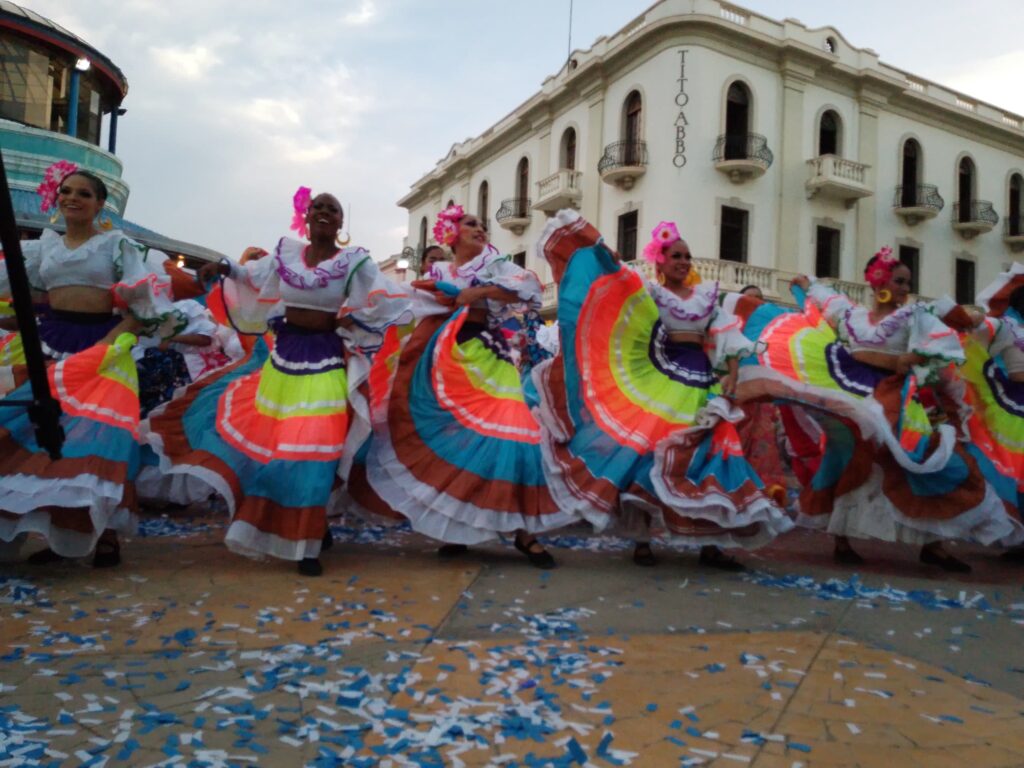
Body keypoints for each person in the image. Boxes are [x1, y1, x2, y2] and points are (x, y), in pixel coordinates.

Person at [141, 188, 412, 575]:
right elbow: (250, 275)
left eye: (331, 209)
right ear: (306, 216)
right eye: (317, 206)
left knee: (316, 446)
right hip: (283, 360)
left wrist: (356, 319)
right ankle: (309, 523)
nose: (323, 211)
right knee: (278, 448)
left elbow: (389, 297)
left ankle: (308, 543)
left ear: (340, 223)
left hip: (328, 359)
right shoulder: (286, 254)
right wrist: (222, 266)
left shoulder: (354, 261)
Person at [534, 212, 792, 568]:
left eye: (687, 256)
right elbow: (625, 307)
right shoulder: (652, 295)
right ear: (661, 260)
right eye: (676, 256)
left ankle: (711, 544)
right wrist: (602, 254)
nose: (684, 262)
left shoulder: (706, 297)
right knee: (647, 455)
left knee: (708, 456)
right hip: (661, 380)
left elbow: (728, 337)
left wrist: (731, 374)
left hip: (701, 382)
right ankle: (641, 540)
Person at [737, 248, 1019, 571]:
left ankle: (933, 543)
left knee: (923, 459)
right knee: (845, 459)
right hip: (852, 394)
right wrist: (807, 282)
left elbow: (949, 333)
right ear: (879, 281)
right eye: (899, 281)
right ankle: (842, 539)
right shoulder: (852, 316)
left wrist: (971, 322)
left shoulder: (915, 316)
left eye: (907, 282)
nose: (904, 288)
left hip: (895, 398)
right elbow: (826, 299)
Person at [365, 205, 573, 567]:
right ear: (453, 233)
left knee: (517, 436)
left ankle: (525, 533)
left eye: (481, 224)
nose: (480, 229)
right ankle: (460, 528)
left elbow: (527, 288)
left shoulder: (495, 264)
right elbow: (417, 304)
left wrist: (475, 294)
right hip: (449, 359)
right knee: (457, 443)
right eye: (471, 224)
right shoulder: (441, 270)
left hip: (490, 357)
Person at [0, 162, 179, 566]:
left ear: (100, 204)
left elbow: (142, 310)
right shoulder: (44, 247)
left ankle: (108, 536)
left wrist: (104, 346)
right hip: (50, 344)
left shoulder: (117, 246)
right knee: (48, 439)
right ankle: (62, 535)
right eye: (66, 191)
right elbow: (34, 297)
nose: (72, 198)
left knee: (103, 443)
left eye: (83, 193)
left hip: (104, 351)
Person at [958, 264, 1024, 560]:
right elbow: (1016, 373)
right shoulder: (1006, 326)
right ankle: (1017, 536)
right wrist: (969, 317)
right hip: (1010, 410)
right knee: (1013, 472)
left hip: (1013, 409)